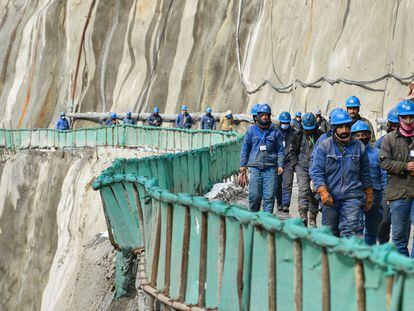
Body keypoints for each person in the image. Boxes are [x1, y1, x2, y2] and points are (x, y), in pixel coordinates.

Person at [310, 108, 373, 237]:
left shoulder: (359, 147)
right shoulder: (324, 146)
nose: (344, 130)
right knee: (330, 234)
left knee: (350, 232)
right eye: (340, 127)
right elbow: (317, 171)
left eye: (346, 126)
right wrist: (322, 191)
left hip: (352, 197)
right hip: (330, 197)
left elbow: (365, 172)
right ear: (333, 128)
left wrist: (369, 193)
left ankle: (348, 257)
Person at [380, 100, 414, 257]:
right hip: (398, 194)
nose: (408, 121)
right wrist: (405, 167)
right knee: (399, 238)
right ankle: (405, 269)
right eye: (405, 117)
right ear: (399, 118)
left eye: (411, 117)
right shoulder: (389, 139)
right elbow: (384, 162)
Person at [239, 104, 284, 213]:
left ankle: (266, 222)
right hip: (255, 168)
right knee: (254, 196)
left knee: (269, 197)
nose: (265, 117)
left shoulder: (275, 131)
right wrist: (242, 166)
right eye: (262, 115)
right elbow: (245, 149)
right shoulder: (251, 131)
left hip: (270, 168)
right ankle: (254, 221)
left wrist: (280, 164)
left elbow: (280, 150)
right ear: (258, 116)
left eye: (267, 115)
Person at [351, 121, 386, 245]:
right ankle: (358, 255)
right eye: (357, 135)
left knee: (372, 228)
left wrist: (386, 194)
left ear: (369, 135)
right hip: (356, 194)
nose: (361, 138)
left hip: (375, 194)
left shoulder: (377, 153)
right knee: (356, 227)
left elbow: (384, 174)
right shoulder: (350, 153)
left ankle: (369, 253)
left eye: (364, 134)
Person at [289, 113, 324, 227]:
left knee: (314, 193)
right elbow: (292, 151)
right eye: (306, 129)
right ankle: (303, 216)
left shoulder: (321, 136)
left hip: (316, 168)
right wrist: (295, 165)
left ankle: (312, 219)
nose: (308, 131)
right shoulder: (297, 135)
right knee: (303, 190)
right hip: (301, 167)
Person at [375, 107, 398, 244]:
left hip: (403, 188)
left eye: (398, 125)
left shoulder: (409, 142)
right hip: (385, 189)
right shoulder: (380, 143)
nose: (395, 128)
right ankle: (383, 246)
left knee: (402, 225)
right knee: (383, 221)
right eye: (393, 125)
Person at [276, 111, 296, 213]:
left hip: (288, 162)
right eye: (283, 122)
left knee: (287, 184)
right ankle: (279, 202)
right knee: (277, 184)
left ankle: (286, 204)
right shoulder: (275, 131)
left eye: (287, 123)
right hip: (277, 162)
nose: (285, 125)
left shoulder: (294, 132)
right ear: (280, 122)